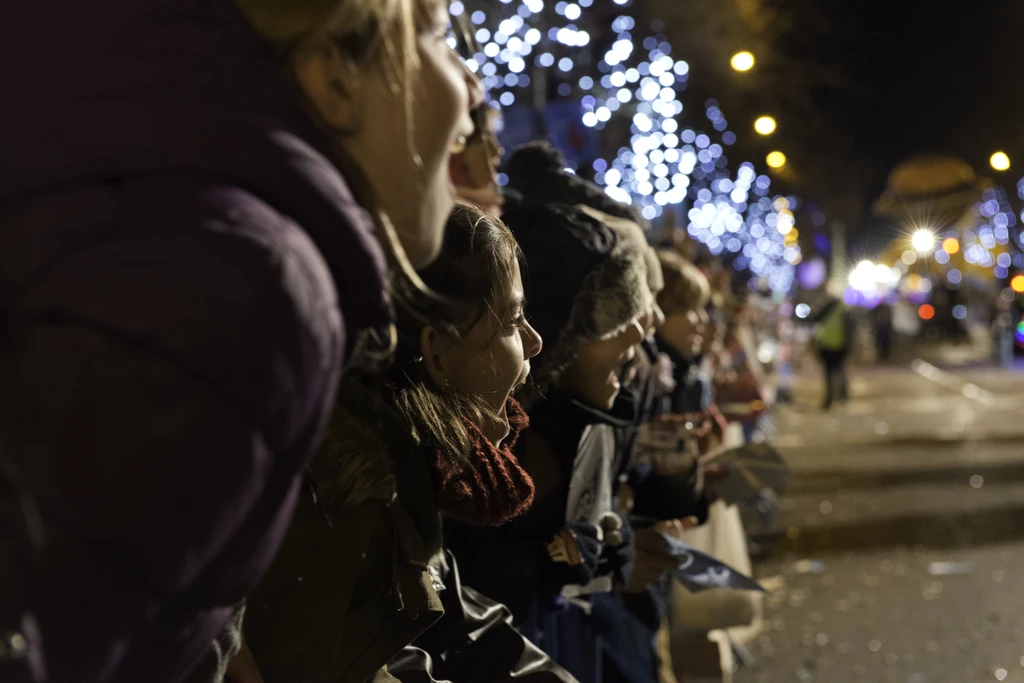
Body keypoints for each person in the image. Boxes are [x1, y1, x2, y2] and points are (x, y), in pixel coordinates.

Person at [0, 0, 481, 681]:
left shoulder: (151, 213)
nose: (473, 89)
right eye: (436, 36)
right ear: (333, 75)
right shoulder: (248, 281)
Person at [242, 203, 577, 683]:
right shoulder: (348, 506)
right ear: (438, 352)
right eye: (510, 319)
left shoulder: (411, 471)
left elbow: (465, 631)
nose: (535, 341)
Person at [812, 297, 854, 410]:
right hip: (838, 347)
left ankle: (831, 398)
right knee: (839, 372)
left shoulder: (827, 312)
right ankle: (841, 397)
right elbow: (849, 331)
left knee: (830, 374)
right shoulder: (842, 311)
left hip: (827, 347)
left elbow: (816, 322)